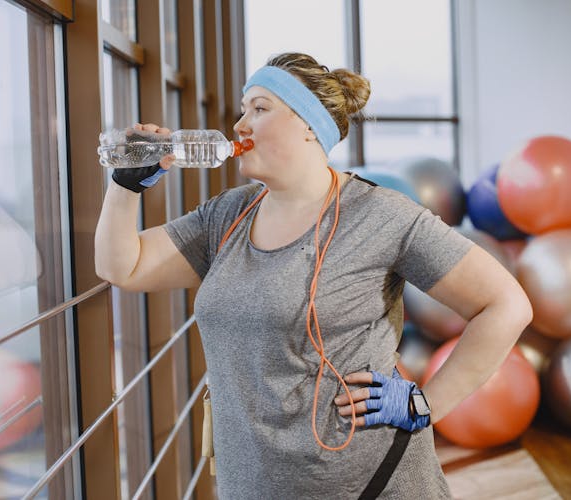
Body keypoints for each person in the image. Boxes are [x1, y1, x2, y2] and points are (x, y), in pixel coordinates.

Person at [95, 52, 533, 499]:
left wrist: (428, 404)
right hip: (252, 487)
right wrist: (125, 185)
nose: (240, 125)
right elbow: (122, 267)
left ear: (309, 124)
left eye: (260, 109)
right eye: (243, 110)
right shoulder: (227, 215)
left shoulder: (382, 216)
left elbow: (506, 305)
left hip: (371, 484)